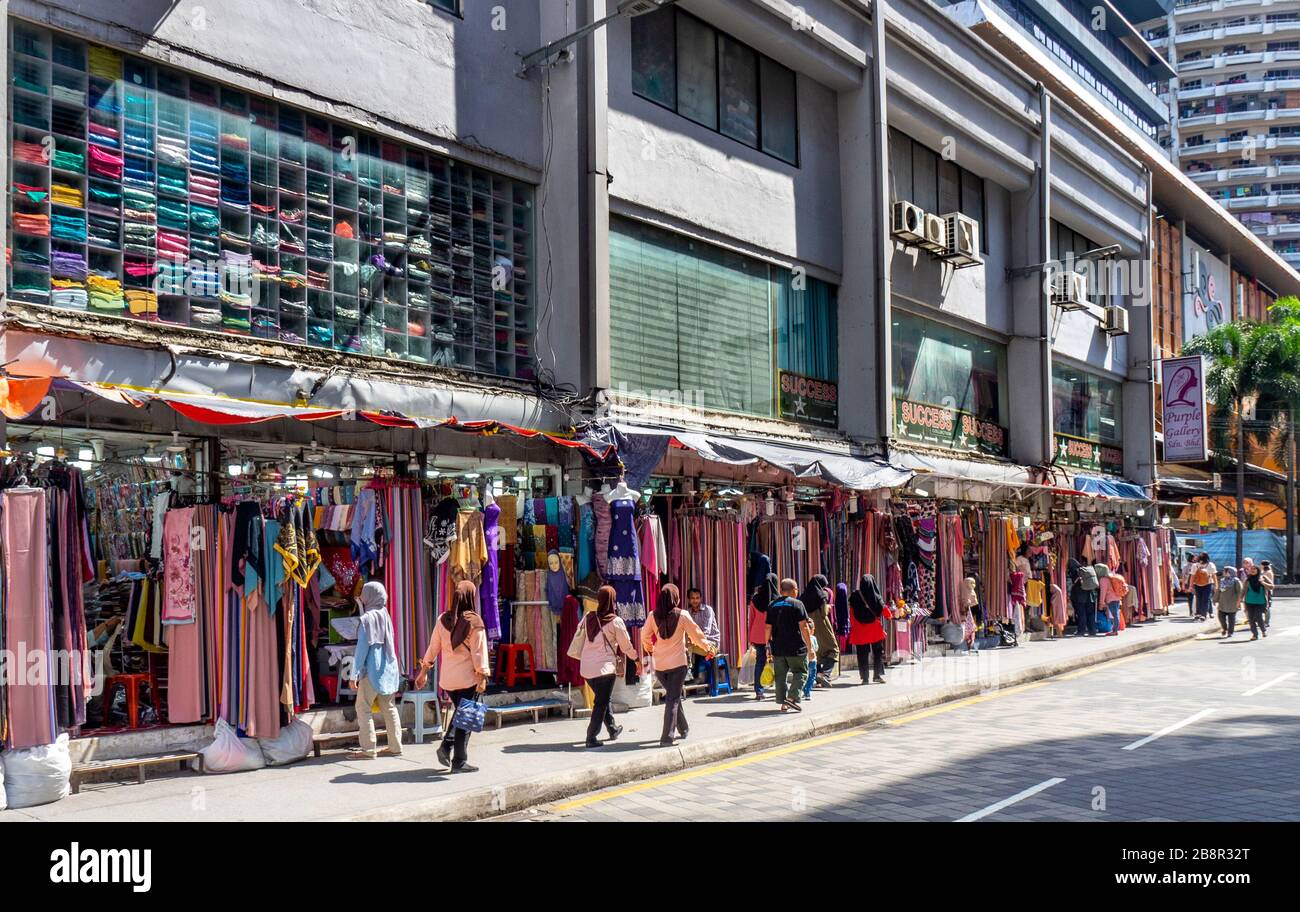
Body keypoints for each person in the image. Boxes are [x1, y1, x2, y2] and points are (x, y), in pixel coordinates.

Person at [415, 580, 490, 773]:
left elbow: (433, 648)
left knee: (462, 715)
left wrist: (423, 671)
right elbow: (479, 653)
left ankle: (453, 754)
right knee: (466, 718)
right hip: (468, 679)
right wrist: (482, 676)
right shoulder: (475, 623)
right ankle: (452, 754)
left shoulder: (443, 620)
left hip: (448, 680)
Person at [644, 584, 713, 746]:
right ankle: (667, 737)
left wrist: (651, 649)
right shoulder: (682, 615)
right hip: (678, 664)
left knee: (673, 696)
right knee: (673, 699)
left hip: (660, 665)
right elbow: (696, 635)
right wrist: (708, 648)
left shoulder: (652, 615)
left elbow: (644, 636)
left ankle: (684, 728)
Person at [348, 581, 404, 759]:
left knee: (363, 708)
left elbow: (362, 649)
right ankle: (395, 747)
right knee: (389, 707)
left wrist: (354, 674)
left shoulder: (366, 619)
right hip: (387, 669)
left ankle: (368, 749)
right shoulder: (385, 614)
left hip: (371, 671)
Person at [579, 585, 637, 748]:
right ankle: (591, 737)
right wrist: (636, 658)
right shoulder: (615, 621)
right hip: (604, 669)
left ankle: (612, 729)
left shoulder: (588, 617)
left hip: (586, 668)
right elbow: (626, 646)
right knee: (601, 702)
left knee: (604, 698)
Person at [766, 578, 815, 712]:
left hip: (778, 648)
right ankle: (791, 698)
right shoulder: (798, 604)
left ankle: (784, 703)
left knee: (780, 676)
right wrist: (810, 648)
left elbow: (767, 628)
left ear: (781, 590)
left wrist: (767, 646)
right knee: (801, 672)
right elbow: (804, 627)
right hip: (796, 648)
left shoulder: (772, 605)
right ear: (794, 590)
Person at [848, 574, 890, 684]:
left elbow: (851, 613)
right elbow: (885, 611)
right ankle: (877, 675)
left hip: (859, 629)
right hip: (874, 629)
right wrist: (891, 615)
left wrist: (853, 625)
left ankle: (865, 678)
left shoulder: (855, 595)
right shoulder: (876, 596)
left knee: (862, 653)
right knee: (877, 652)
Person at [800, 574, 838, 688]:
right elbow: (823, 613)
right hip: (822, 626)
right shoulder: (822, 595)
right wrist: (829, 607)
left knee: (814, 652)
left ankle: (817, 677)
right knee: (833, 649)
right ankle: (825, 674)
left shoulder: (803, 597)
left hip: (809, 627)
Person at [748, 571, 779, 700]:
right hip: (774, 635)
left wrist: (750, 637)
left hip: (758, 635)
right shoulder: (777, 600)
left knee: (760, 661)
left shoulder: (755, 599)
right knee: (779, 661)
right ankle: (780, 689)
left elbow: (751, 618)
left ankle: (759, 691)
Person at [684, 587, 721, 682]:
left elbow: (706, 631)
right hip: (695, 643)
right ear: (689, 599)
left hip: (711, 643)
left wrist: (694, 640)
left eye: (697, 598)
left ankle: (689, 670)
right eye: (692, 598)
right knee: (683, 646)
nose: (695, 600)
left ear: (700, 598)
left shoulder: (708, 610)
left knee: (688, 645)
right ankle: (688, 673)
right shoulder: (687, 613)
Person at [1067, 558, 1097, 636]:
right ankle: (1092, 630)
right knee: (1090, 613)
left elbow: (1073, 584)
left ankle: (1081, 630)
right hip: (1089, 595)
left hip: (1080, 596)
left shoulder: (1074, 571)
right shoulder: (1084, 569)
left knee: (1081, 613)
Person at [1100, 565, 1127, 637]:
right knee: (1116, 614)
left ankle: (1114, 631)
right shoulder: (1112, 577)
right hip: (1117, 598)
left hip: (1111, 599)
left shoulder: (1103, 579)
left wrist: (1101, 602)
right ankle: (1114, 630)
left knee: (1115, 615)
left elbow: (1103, 592)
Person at [1244, 564, 1270, 640]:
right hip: (1249, 602)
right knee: (1251, 619)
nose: (1252, 570)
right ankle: (1255, 635)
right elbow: (1243, 590)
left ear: (1258, 570)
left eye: (1254, 569)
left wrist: (1263, 583)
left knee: (1258, 617)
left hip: (1260, 602)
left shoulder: (1263, 577)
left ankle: (1263, 630)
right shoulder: (1248, 579)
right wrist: (1239, 600)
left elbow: (1272, 586)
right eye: (1251, 569)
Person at [1215, 566, 1242, 638]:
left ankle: (1230, 632)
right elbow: (1219, 591)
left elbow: (1240, 592)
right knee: (1221, 617)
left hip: (1232, 603)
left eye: (1225, 571)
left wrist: (1239, 602)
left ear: (1230, 572)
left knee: (1231, 619)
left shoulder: (1236, 581)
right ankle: (1224, 628)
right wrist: (1215, 599)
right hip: (1222, 603)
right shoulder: (1222, 580)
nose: (1223, 572)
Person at [1191, 552, 1217, 619]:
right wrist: (1216, 585)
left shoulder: (1195, 565)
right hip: (1207, 584)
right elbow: (1214, 576)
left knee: (1201, 599)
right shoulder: (1210, 565)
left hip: (1200, 584)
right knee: (1204, 599)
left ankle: (1202, 614)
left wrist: (1191, 585)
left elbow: (1192, 576)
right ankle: (1201, 614)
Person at [1260, 560, 1275, 626]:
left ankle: (1266, 622)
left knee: (1267, 605)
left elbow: (1269, 583)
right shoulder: (1264, 572)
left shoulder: (1268, 573)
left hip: (1267, 591)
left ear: (1263, 565)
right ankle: (1264, 620)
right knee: (1263, 605)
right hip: (1263, 590)